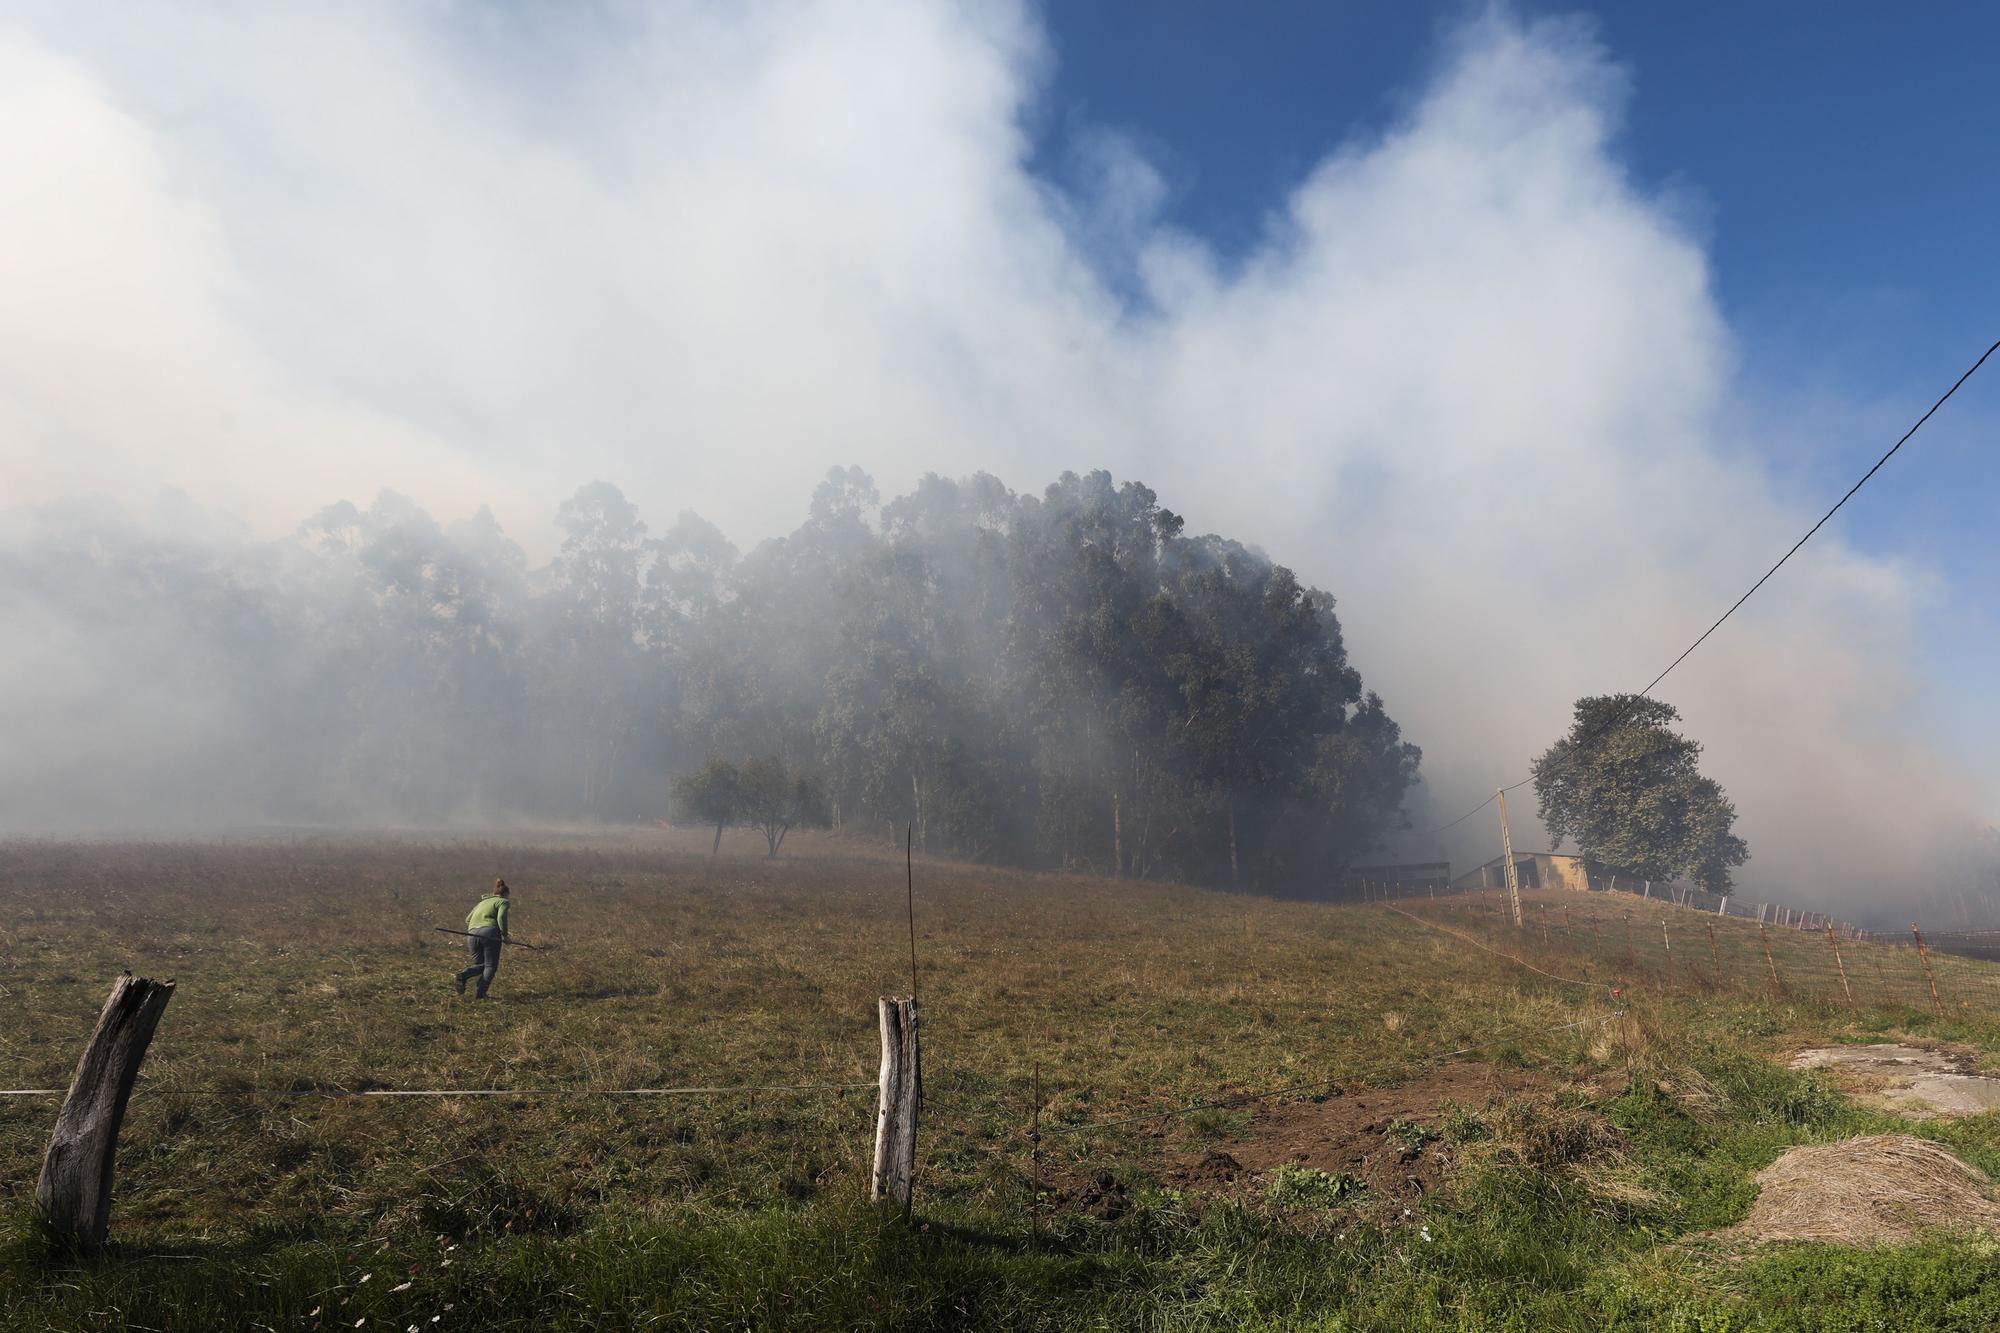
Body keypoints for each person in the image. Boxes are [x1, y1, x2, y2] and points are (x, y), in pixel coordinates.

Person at [455, 879, 512, 998]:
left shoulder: (482, 903)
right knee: (490, 966)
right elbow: (501, 917)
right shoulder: (503, 901)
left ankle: (463, 975)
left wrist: (477, 927)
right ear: (506, 894)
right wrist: (505, 935)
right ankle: (480, 994)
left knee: (481, 965)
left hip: (472, 934)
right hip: (490, 933)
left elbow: (467, 919)